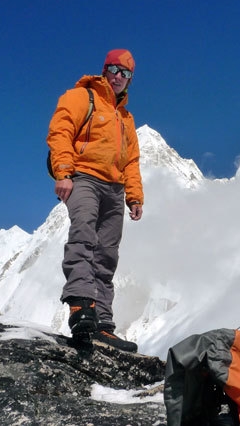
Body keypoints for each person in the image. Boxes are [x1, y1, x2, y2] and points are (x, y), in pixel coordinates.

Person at [46, 49, 143, 352]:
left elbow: (132, 160)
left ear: (130, 80)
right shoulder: (80, 97)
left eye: (125, 73)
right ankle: (80, 306)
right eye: (114, 70)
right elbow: (60, 131)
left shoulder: (126, 118)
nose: (118, 76)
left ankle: (103, 323)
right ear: (105, 70)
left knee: (107, 254)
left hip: (114, 188)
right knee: (83, 237)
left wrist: (134, 195)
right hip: (84, 178)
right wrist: (63, 171)